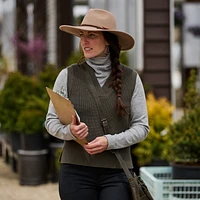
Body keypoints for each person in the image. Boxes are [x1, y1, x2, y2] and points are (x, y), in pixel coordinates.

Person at [45, 8, 149, 200]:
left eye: (91, 35)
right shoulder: (67, 76)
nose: (84, 41)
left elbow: (142, 127)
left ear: (108, 40)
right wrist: (70, 132)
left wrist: (110, 142)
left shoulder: (132, 79)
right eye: (82, 35)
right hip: (75, 171)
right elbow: (50, 122)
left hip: (117, 173)